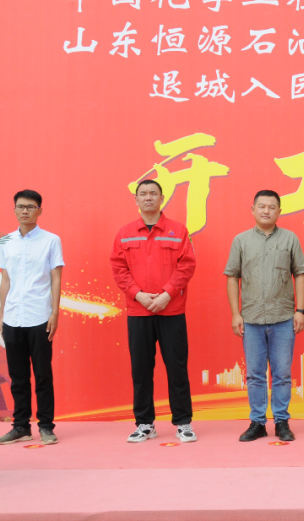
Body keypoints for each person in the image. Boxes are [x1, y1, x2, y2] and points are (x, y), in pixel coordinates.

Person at [110, 180, 198, 443]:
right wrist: (137, 294)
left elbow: (187, 265)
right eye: (143, 194)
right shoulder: (125, 233)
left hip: (171, 310)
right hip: (138, 311)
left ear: (162, 198)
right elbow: (118, 268)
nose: (148, 197)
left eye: (153, 193)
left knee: (177, 368)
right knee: (141, 369)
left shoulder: (178, 231)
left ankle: (183, 422)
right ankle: (145, 423)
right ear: (136, 200)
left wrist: (167, 294)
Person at [225, 190, 304, 442]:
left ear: (279, 211)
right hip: (251, 318)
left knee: (282, 373)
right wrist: (235, 314)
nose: (266, 211)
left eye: (272, 207)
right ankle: (257, 422)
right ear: (252, 209)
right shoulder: (240, 240)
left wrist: (300, 310)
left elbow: (300, 274)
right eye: (261, 206)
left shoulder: (290, 238)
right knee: (254, 374)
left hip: (283, 317)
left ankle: (282, 421)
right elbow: (232, 277)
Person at [0, 190, 64, 446]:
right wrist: (2, 314)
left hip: (39, 315)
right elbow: (5, 279)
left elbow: (56, 277)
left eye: (30, 207)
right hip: (13, 316)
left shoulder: (51, 240)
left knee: (43, 374)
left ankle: (46, 426)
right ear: (14, 210)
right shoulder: (5, 241)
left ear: (39, 211)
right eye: (21, 206)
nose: (25, 211)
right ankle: (21, 426)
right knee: (18, 376)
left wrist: (54, 312)